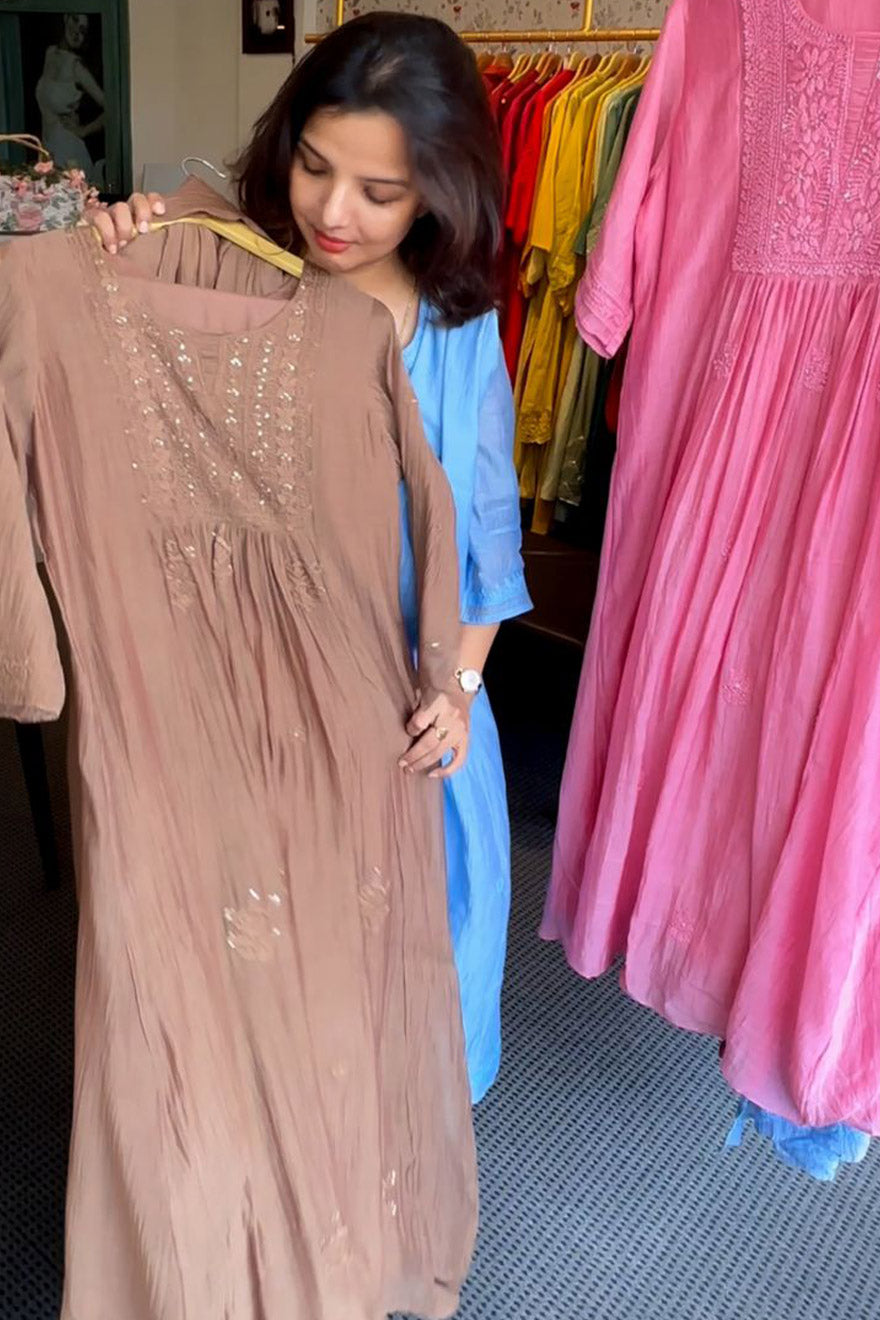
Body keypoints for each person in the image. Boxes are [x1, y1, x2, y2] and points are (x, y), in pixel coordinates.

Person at [90, 11, 531, 1104]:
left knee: (414, 974)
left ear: (440, 191)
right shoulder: (227, 278)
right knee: (266, 980)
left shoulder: (457, 331)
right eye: (315, 167)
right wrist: (125, 246)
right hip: (257, 698)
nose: (333, 213)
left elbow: (485, 543)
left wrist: (459, 690)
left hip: (406, 715)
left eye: (379, 192)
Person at [36, 12, 106, 186]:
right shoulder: (50, 53)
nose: (76, 32)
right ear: (66, 17)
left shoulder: (76, 67)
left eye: (83, 31)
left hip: (69, 151)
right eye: (75, 20)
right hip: (48, 147)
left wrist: (84, 131)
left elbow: (113, 108)